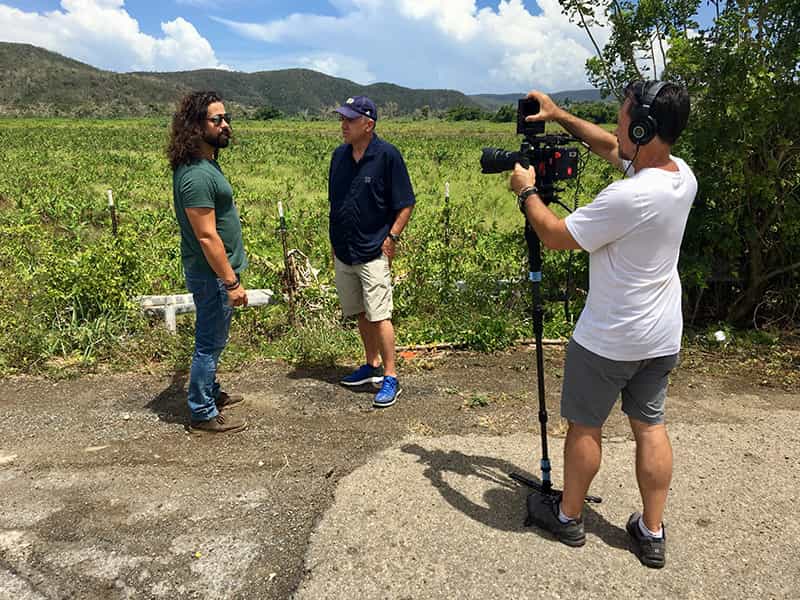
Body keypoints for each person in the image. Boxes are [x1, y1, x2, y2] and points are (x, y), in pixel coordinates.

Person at [509, 81, 696, 568]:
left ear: (644, 129)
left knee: (585, 426)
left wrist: (527, 192)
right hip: (660, 335)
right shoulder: (682, 176)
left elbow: (554, 234)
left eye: (623, 119)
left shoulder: (627, 197)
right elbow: (613, 148)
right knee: (650, 427)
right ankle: (651, 531)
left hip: (609, 339)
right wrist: (558, 115)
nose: (616, 126)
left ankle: (568, 517)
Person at [167, 91, 249, 434]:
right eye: (217, 120)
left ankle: (210, 392)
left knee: (214, 337)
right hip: (213, 275)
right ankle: (202, 411)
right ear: (196, 126)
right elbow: (206, 236)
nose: (225, 125)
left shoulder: (204, 164)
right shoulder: (197, 176)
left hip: (214, 273)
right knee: (209, 342)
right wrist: (231, 281)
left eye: (226, 118)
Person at [328, 96, 415, 408]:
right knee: (360, 312)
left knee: (380, 315)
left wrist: (392, 237)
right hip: (344, 250)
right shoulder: (339, 156)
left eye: (350, 120)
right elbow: (335, 203)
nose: (343, 125)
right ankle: (371, 365)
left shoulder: (387, 155)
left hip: (373, 248)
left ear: (368, 124)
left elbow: (406, 203)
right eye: (342, 119)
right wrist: (334, 242)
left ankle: (391, 376)